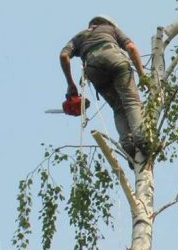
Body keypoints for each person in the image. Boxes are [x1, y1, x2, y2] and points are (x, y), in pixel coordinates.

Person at [59, 15, 150, 166]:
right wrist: (142, 76)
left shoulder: (79, 37)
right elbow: (131, 48)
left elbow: (64, 56)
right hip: (115, 60)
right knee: (131, 101)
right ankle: (143, 140)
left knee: (118, 107)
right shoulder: (111, 30)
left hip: (94, 69)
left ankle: (128, 146)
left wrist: (71, 84)